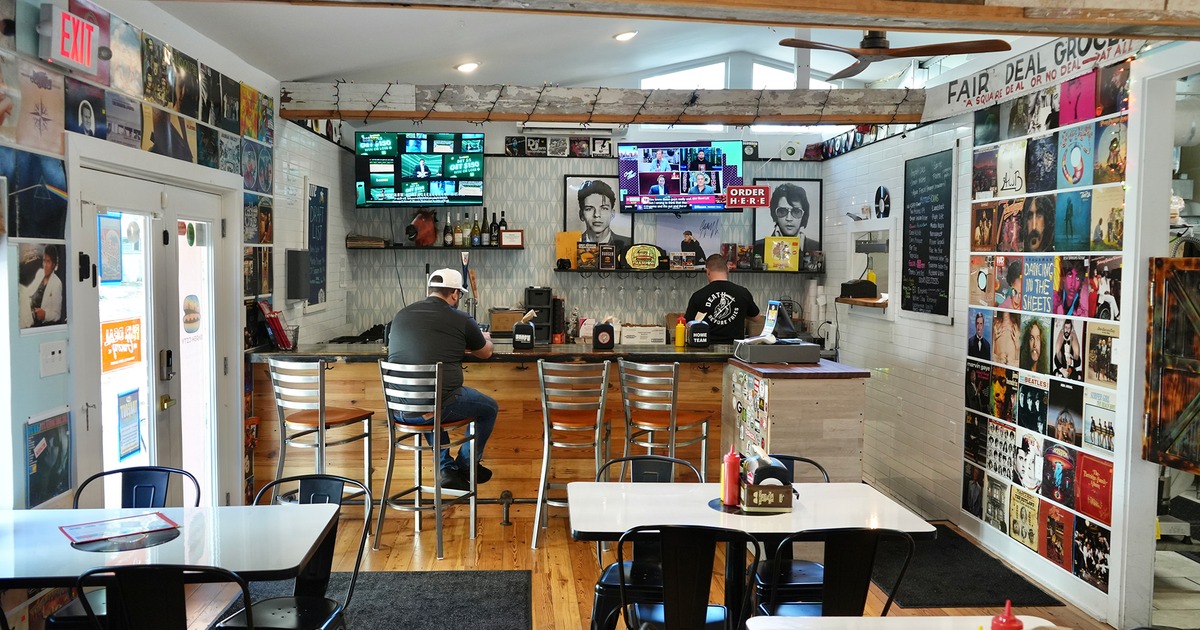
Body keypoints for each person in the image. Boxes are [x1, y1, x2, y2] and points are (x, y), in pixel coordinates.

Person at [387, 268, 498, 491]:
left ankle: (447, 469)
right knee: (488, 408)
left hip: (399, 409)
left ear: (430, 290)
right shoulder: (461, 318)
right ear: (455, 294)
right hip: (437, 407)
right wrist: (485, 338)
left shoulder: (402, 314)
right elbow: (485, 353)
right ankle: (467, 465)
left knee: (430, 403)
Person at [685, 254, 761, 344]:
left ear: (707, 271)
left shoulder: (698, 296)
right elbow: (757, 318)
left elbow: (687, 325)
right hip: (736, 352)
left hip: (707, 350)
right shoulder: (743, 293)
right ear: (728, 269)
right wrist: (741, 311)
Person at [755, 183, 819, 259]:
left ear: (803, 215)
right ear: (774, 213)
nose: (789, 218)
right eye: (782, 211)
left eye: (796, 212)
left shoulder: (816, 247)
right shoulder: (758, 247)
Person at [576, 179, 630, 254]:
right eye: (589, 209)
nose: (597, 215)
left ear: (612, 214)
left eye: (604, 208)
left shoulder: (627, 245)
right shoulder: (572, 244)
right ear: (581, 214)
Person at [28, 245, 64, 327]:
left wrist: (45, 314)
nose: (45, 265)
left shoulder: (56, 283)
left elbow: (57, 315)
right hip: (29, 318)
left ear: (53, 264)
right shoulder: (39, 273)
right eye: (44, 261)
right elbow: (30, 292)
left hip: (41, 325)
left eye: (48, 261)